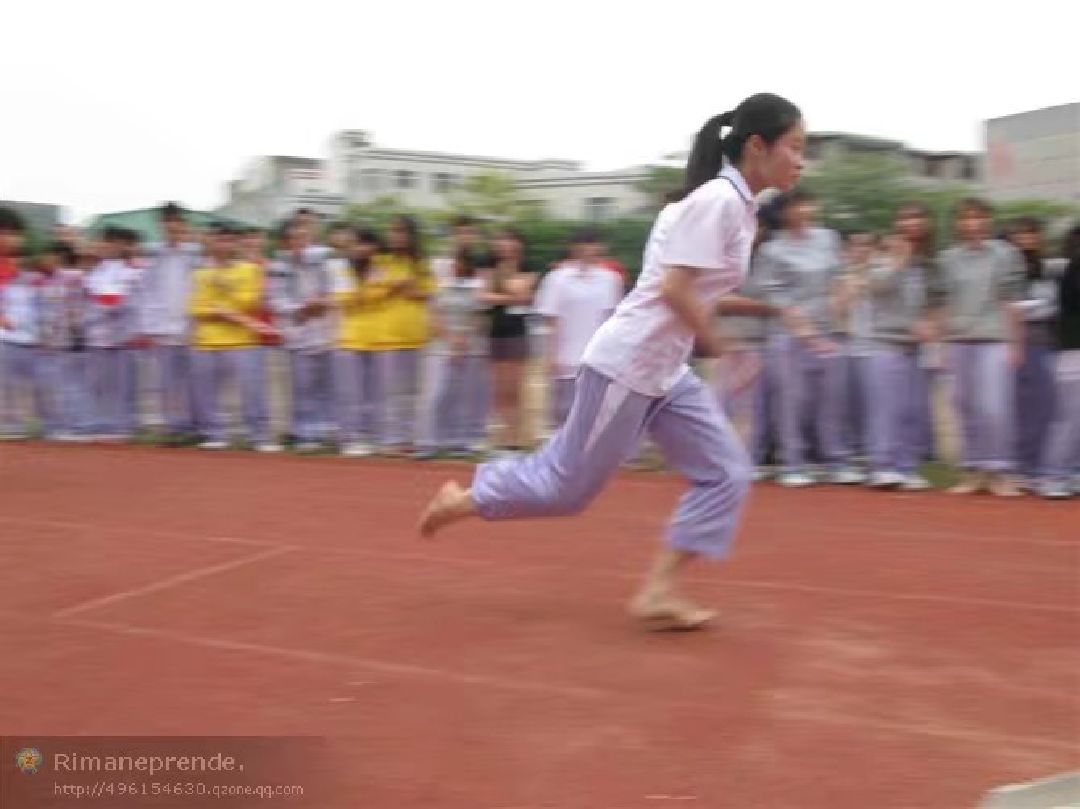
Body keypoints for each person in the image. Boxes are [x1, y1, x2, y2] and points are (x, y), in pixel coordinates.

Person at [419, 94, 806, 630]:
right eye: (795, 147)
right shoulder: (717, 201)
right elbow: (673, 289)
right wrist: (721, 347)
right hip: (628, 365)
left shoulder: (733, 207)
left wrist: (752, 318)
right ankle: (463, 499)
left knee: (725, 472)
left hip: (664, 371)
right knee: (565, 488)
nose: (801, 160)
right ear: (758, 146)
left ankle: (659, 591)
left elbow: (689, 288)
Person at [863, 204, 939, 491]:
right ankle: (882, 466)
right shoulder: (883, 256)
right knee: (886, 409)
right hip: (885, 343)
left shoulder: (926, 264)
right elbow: (876, 287)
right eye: (907, 217)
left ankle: (907, 466)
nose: (914, 222)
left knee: (911, 410)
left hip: (915, 347)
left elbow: (930, 303)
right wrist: (900, 260)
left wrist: (929, 326)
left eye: (919, 216)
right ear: (897, 223)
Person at [188, 223, 280, 452]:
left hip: (244, 341)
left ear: (237, 244)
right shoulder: (201, 274)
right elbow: (196, 308)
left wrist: (223, 302)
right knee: (207, 393)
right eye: (220, 240)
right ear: (211, 244)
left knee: (253, 391)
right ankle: (214, 434)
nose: (224, 245)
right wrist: (221, 310)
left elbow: (250, 301)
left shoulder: (250, 270)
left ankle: (259, 435)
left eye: (229, 240)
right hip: (207, 341)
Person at [534, 228, 622, 431]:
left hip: (599, 357)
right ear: (573, 248)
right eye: (582, 245)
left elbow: (611, 319)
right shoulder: (557, 278)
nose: (588, 250)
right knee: (563, 412)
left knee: (596, 411)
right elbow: (552, 318)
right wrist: (552, 355)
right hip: (567, 356)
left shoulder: (610, 280)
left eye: (592, 244)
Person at [138, 202, 202, 444]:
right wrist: (148, 326)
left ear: (183, 224)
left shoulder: (194, 254)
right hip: (163, 329)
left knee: (193, 380)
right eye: (167, 222)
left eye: (176, 221)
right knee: (166, 381)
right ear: (161, 225)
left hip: (191, 328)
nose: (172, 226)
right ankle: (172, 427)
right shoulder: (154, 255)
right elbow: (146, 291)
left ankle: (194, 427)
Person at [1038, 225, 1080, 499]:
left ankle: (1072, 472)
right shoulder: (1072, 270)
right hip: (1074, 350)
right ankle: (1054, 475)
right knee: (1070, 416)